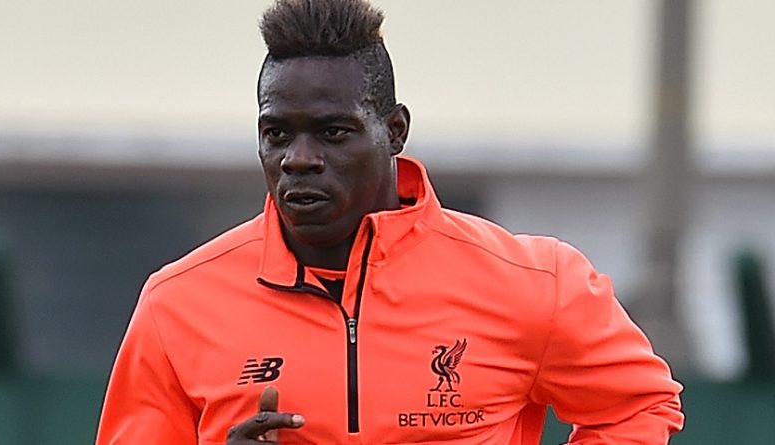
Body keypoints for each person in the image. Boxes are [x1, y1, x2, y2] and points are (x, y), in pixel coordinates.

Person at [95, 0, 685, 443]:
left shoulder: (535, 281)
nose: (298, 158)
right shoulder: (176, 303)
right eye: (276, 133)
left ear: (394, 131)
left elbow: (640, 405)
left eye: (333, 131)